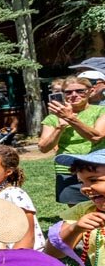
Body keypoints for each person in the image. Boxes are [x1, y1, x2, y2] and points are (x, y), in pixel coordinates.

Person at [43, 148, 105, 266]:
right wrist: (75, 229)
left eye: (94, 180)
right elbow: (52, 253)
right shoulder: (84, 211)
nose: (84, 188)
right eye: (81, 182)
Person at [38, 76, 105, 204]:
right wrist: (60, 127)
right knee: (76, 212)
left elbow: (96, 137)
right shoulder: (53, 118)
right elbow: (43, 148)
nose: (74, 95)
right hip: (67, 168)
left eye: (80, 91)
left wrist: (70, 118)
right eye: (68, 92)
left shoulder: (101, 111)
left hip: (98, 168)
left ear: (90, 91)